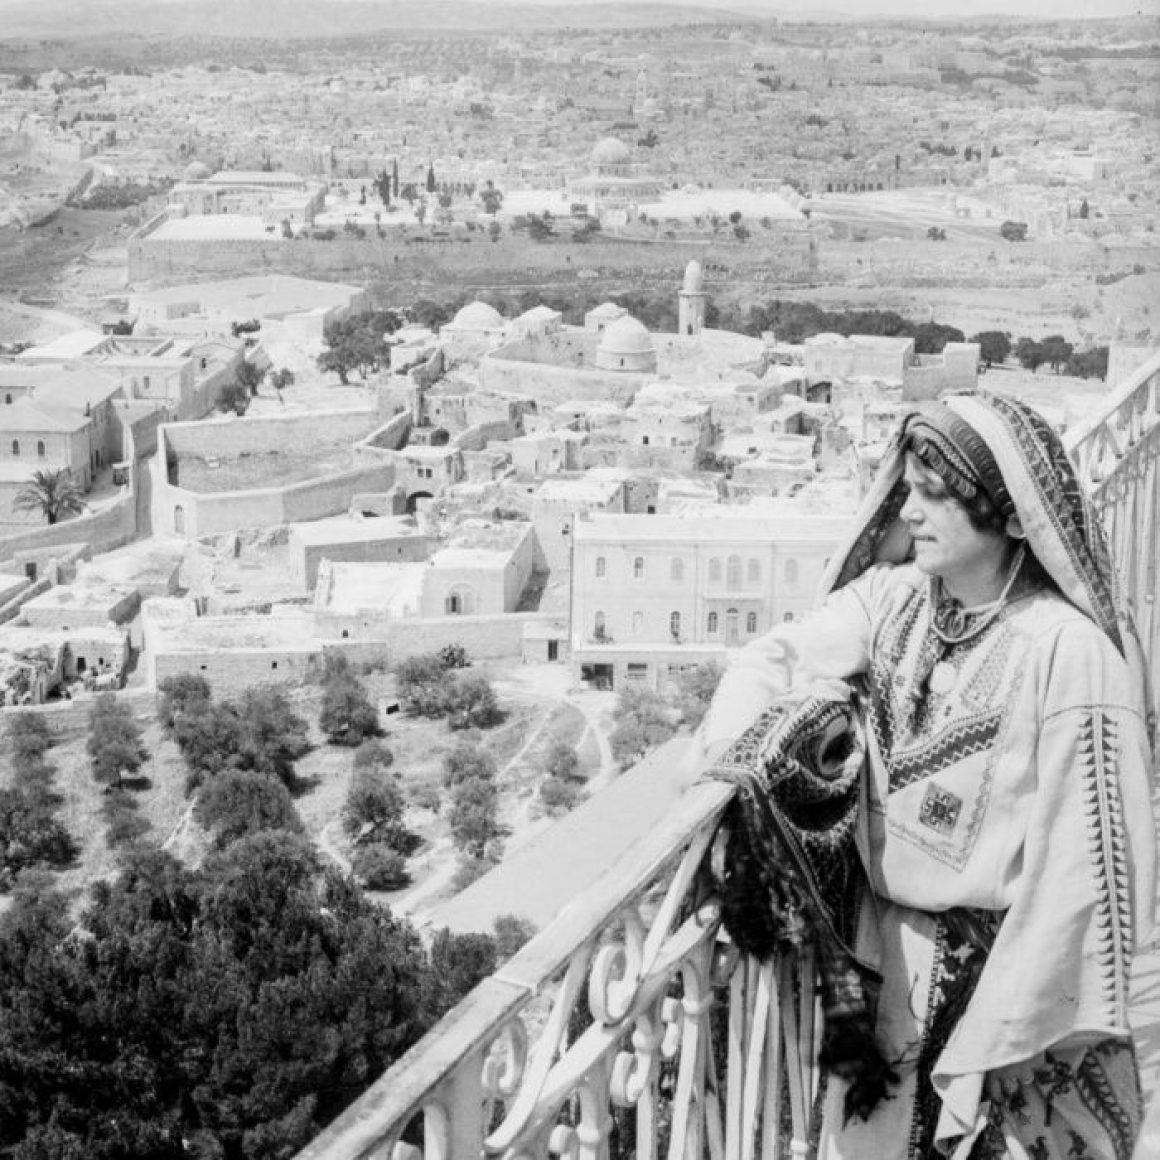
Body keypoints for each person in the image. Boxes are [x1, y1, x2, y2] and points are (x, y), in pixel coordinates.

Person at [694, 391, 1156, 1159]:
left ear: (1010, 516)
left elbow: (1083, 883)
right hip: (884, 987)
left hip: (1010, 1019)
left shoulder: (1067, 656)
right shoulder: (896, 601)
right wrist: (722, 782)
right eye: (907, 489)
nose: (907, 512)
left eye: (934, 496)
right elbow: (772, 658)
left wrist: (991, 1050)